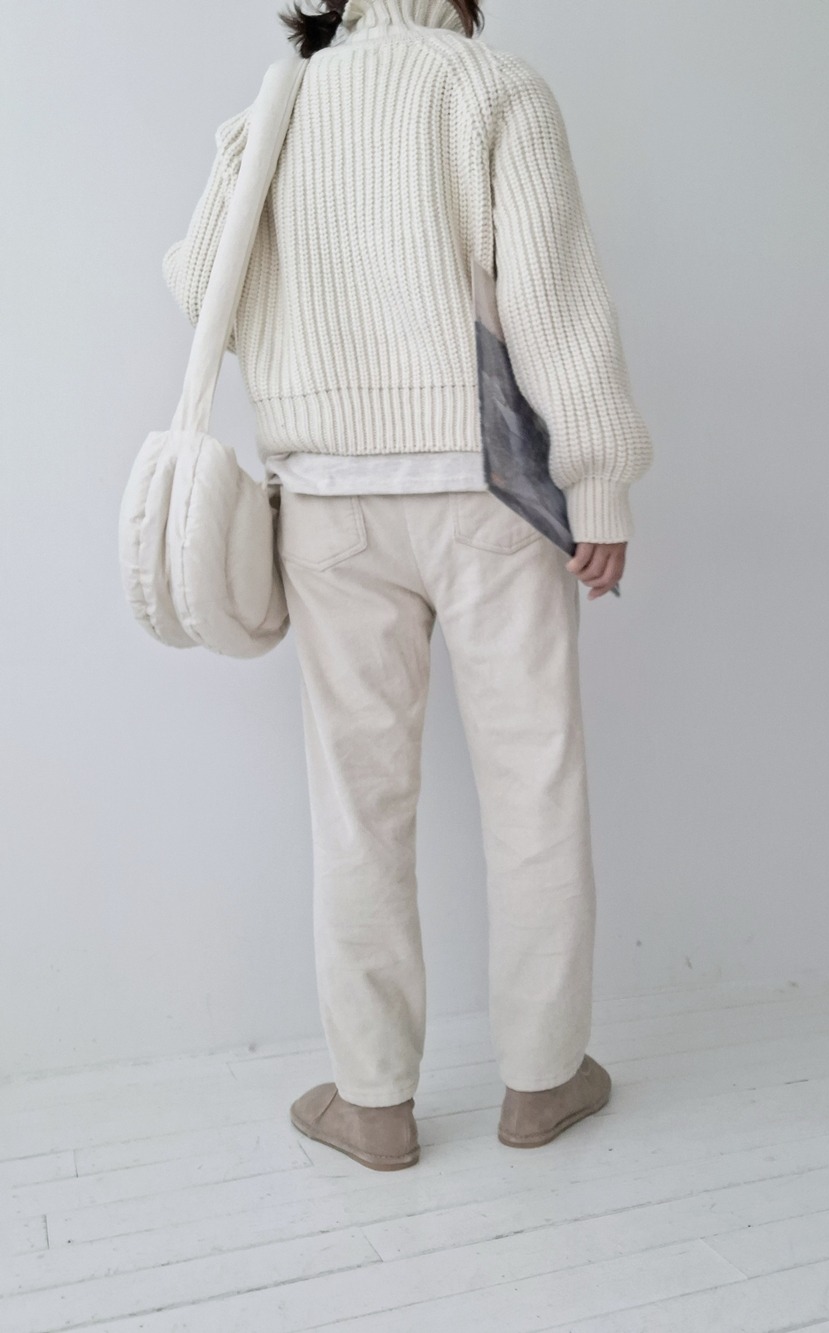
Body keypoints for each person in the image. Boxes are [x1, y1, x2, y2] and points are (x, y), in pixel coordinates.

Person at [162, 0, 653, 1171]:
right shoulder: (490, 87)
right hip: (488, 490)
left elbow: (198, 288)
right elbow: (553, 298)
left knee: (357, 805)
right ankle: (542, 1081)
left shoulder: (274, 108)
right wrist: (597, 482)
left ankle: (372, 1101)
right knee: (533, 785)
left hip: (327, 505)